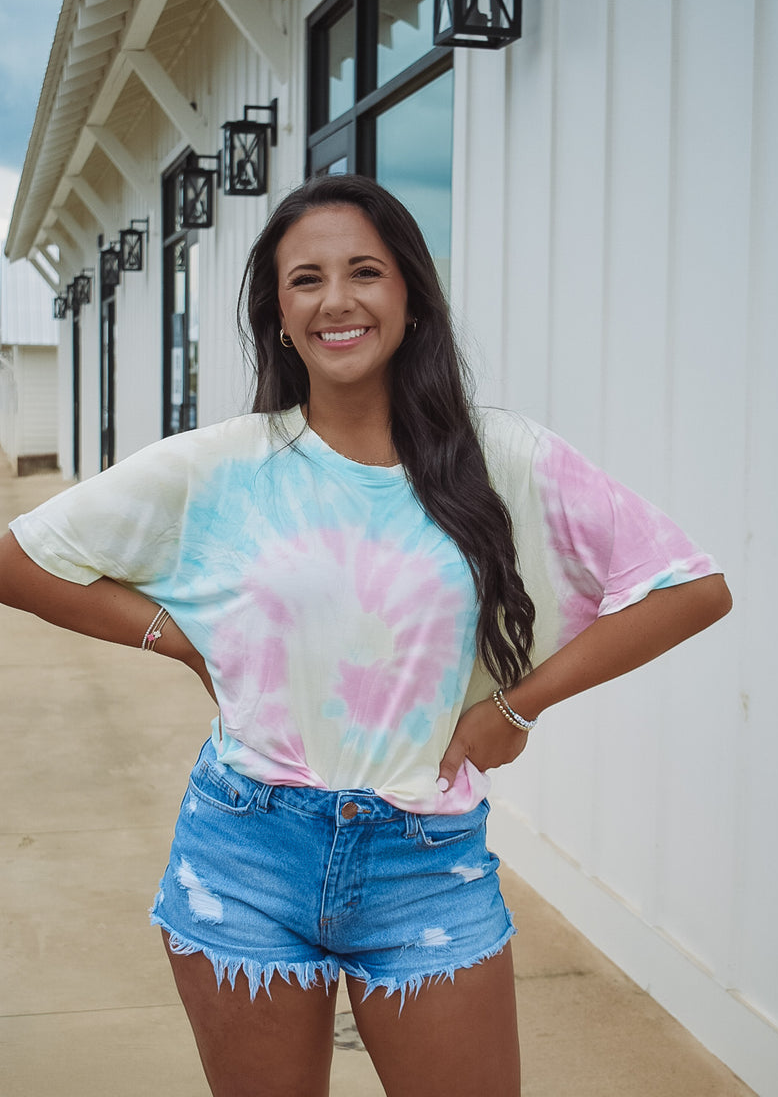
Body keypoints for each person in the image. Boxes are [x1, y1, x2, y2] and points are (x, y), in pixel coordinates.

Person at [0, 175, 731, 1097]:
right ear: (276, 312)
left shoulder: (501, 456)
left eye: (365, 272)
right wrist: (178, 638)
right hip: (246, 850)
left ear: (412, 298)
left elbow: (689, 590)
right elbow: (21, 562)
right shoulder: (226, 464)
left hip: (423, 860)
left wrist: (515, 704)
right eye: (305, 279)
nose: (335, 300)